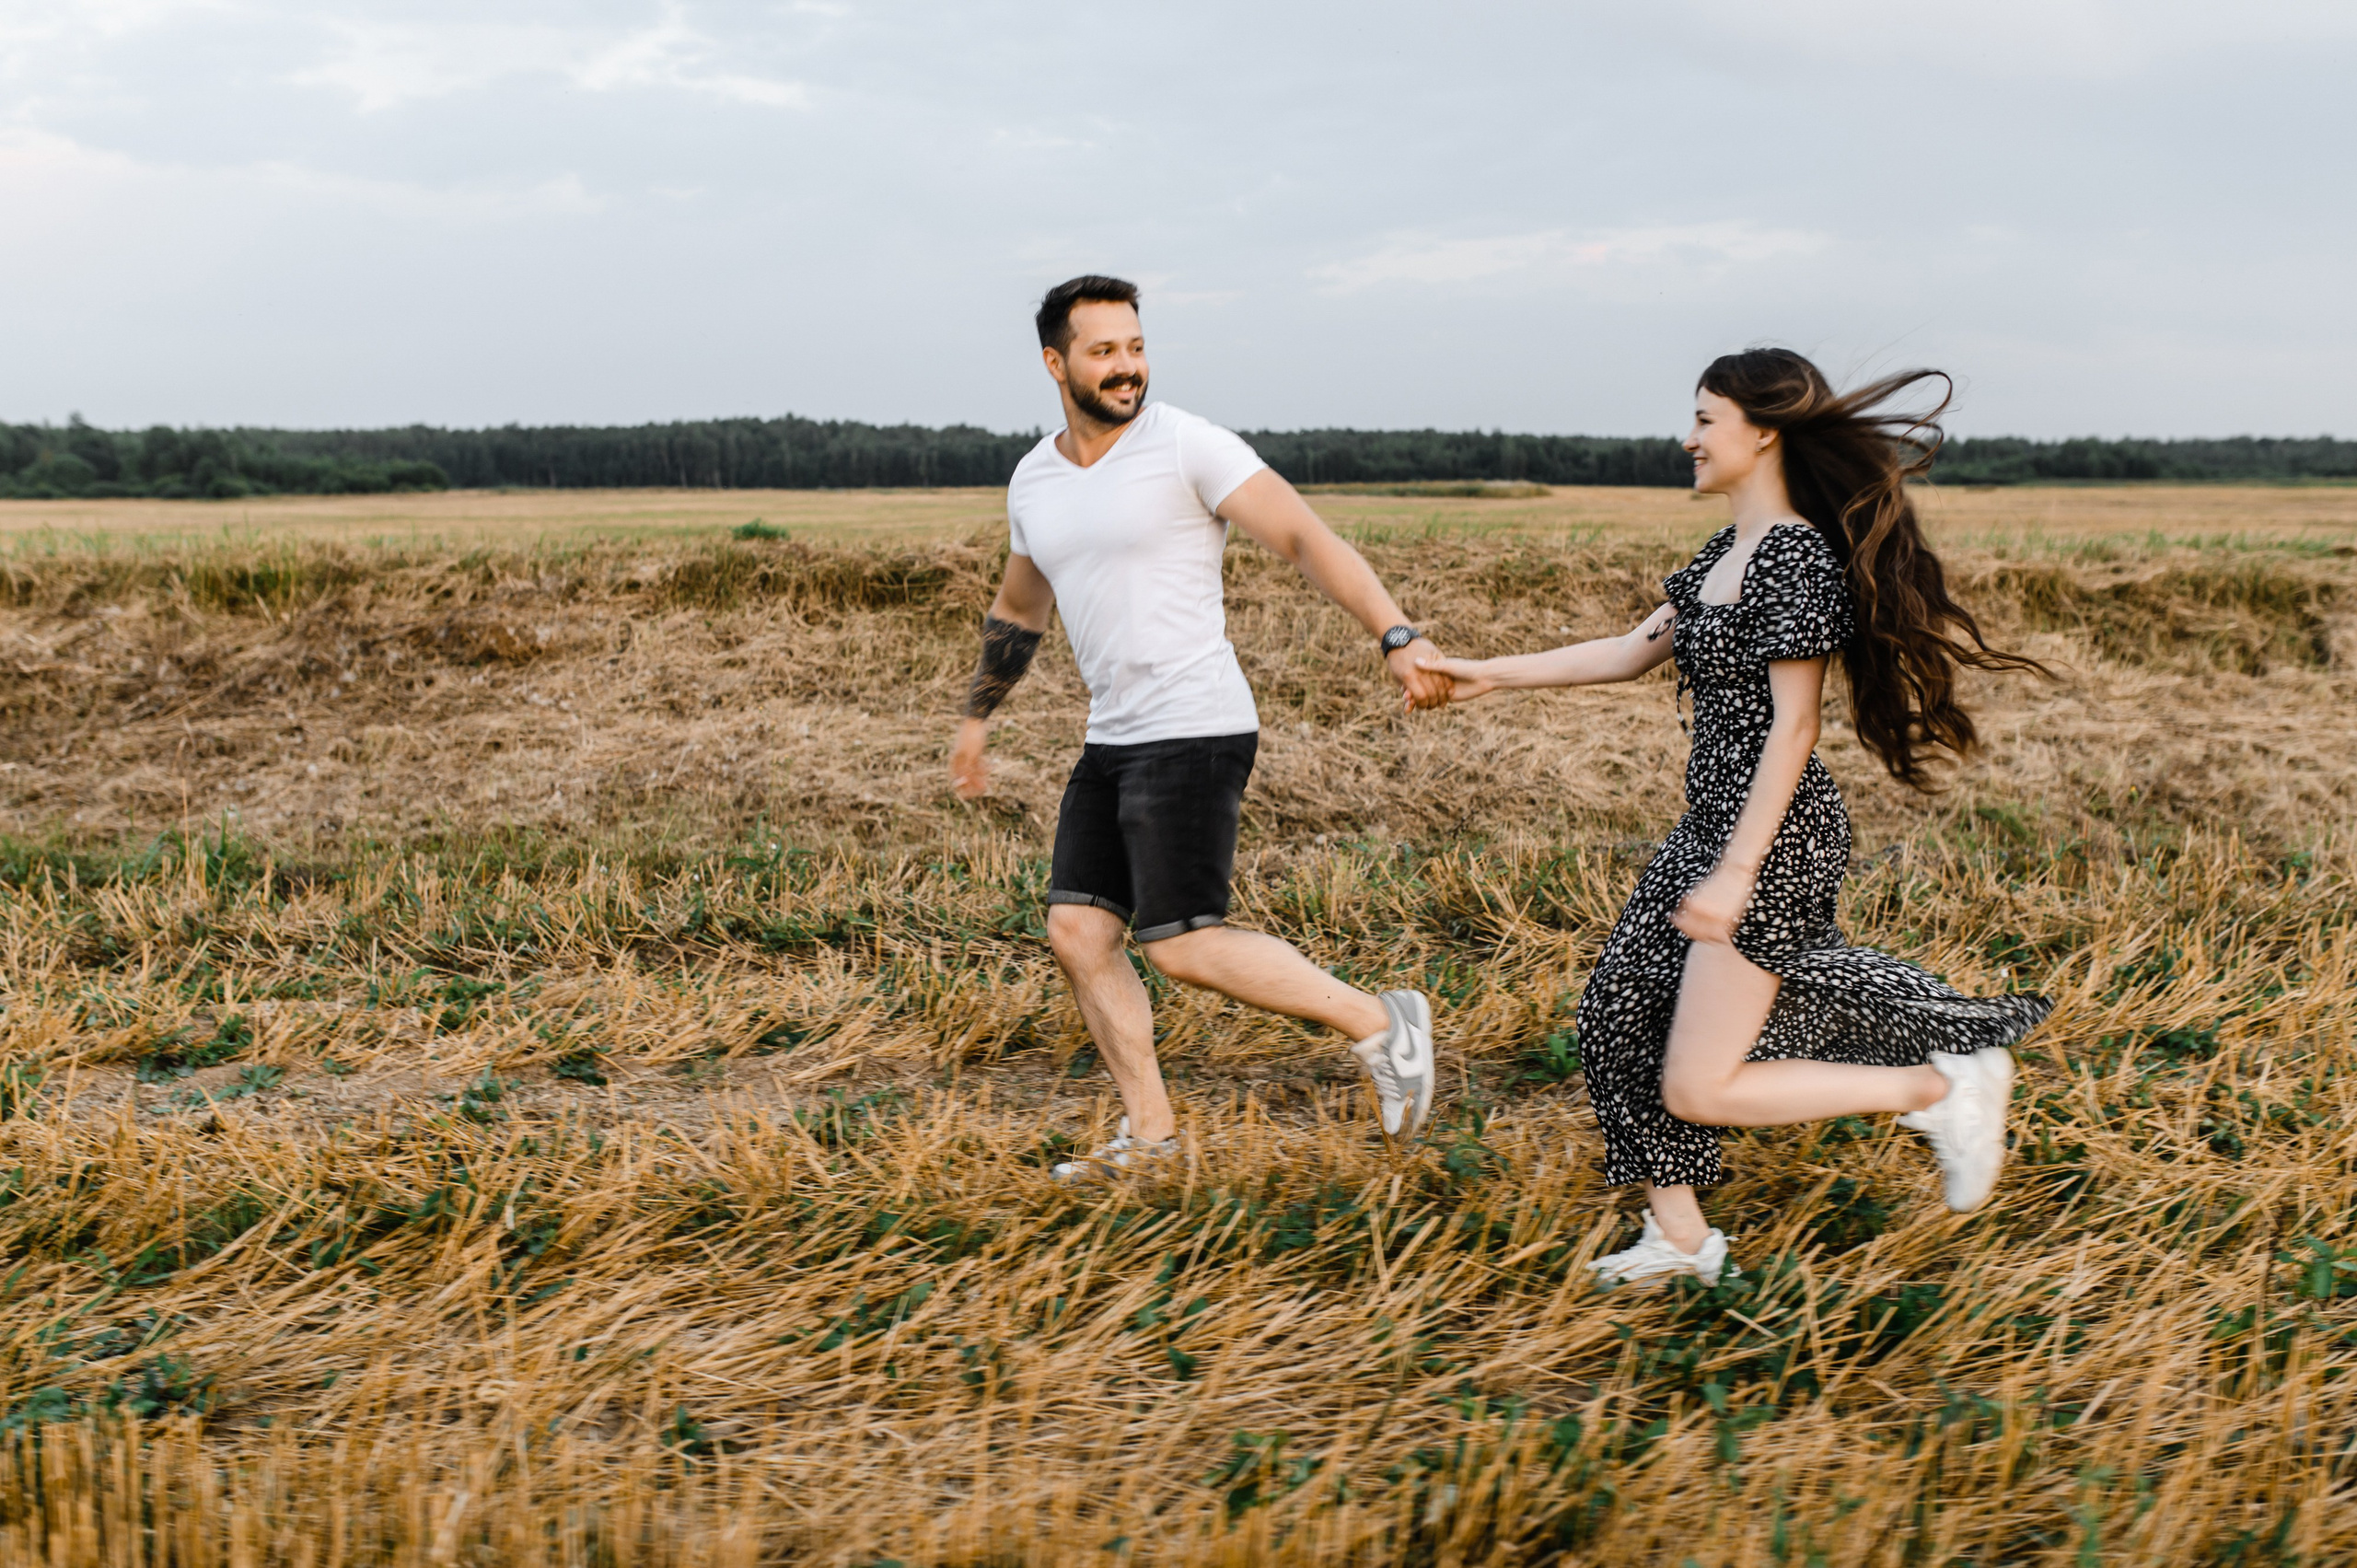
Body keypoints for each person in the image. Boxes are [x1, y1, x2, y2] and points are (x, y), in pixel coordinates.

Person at [1419, 348, 2053, 1283]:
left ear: (1762, 431)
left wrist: (1736, 869)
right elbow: (1628, 651)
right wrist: (1477, 675)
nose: (1689, 437)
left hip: (1769, 833)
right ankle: (1682, 1241)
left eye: (1705, 418)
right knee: (1613, 1017)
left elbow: (1792, 728)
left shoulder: (1792, 557)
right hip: (1710, 825)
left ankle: (1935, 1083)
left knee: (1698, 1080)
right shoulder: (1725, 553)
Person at [950, 274, 1451, 1180]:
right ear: (1054, 362)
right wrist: (978, 715)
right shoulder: (1035, 478)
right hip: (1113, 736)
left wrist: (1394, 632)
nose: (1127, 366)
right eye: (1103, 350)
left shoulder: (1187, 445)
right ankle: (1149, 1139)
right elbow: (1020, 605)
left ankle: (1381, 1023)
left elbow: (1304, 536)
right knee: (1078, 933)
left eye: (1135, 346)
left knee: (1180, 940)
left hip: (1195, 724)